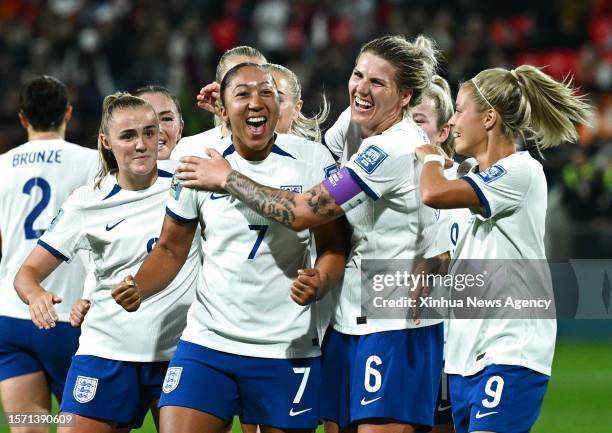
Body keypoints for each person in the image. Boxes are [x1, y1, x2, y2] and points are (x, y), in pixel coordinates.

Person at [175, 35, 445, 433]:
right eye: (358, 75)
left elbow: (302, 211)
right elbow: (298, 149)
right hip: (348, 319)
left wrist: (227, 178)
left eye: (377, 83)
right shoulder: (354, 126)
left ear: (405, 97)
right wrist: (241, 107)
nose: (361, 89)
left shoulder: (391, 148)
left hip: (395, 322)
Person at [111, 63, 346, 433]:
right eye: (243, 94)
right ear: (223, 109)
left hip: (285, 349)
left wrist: (322, 280)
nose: (257, 102)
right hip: (208, 343)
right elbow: (171, 249)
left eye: (266, 92)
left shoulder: (313, 160)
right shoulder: (196, 165)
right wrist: (140, 284)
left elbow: (334, 247)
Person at [414, 65, 592, 433]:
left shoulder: (520, 171)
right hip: (464, 357)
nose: (454, 120)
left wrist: (429, 156)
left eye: (461, 110)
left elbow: (432, 192)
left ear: (490, 117)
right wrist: (438, 262)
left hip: (511, 349)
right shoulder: (474, 178)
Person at [14, 93, 200, 433]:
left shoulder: (189, 181)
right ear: (106, 141)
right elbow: (26, 273)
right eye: (128, 136)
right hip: (107, 349)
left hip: (180, 352)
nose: (142, 144)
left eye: (149, 132)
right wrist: (36, 294)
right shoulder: (87, 201)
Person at [0, 75, 97, 433]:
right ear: (67, 113)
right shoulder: (92, 163)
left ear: (23, 118)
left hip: (11, 315)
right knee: (79, 425)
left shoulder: (1, 167)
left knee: (28, 426)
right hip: (67, 315)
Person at [411, 75, 457, 433]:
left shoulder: (464, 184)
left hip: (449, 337)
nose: (411, 132)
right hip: (397, 330)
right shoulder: (378, 176)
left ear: (443, 133)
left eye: (420, 122)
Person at [171, 46, 268, 160]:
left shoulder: (288, 147)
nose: (252, 99)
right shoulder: (190, 150)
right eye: (238, 85)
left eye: (261, 86)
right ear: (217, 90)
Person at [134, 85, 184, 160]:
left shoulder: (201, 169)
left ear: (180, 129)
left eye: (166, 119)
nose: (158, 129)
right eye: (145, 119)